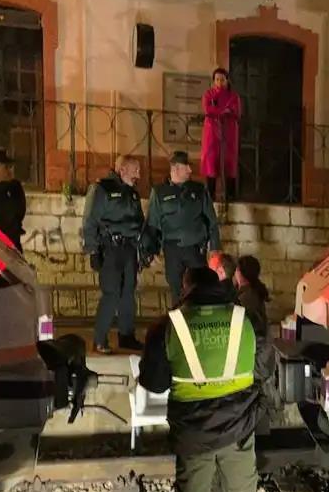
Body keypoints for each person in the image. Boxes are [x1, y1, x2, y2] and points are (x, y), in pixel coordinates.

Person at [139, 266, 263, 492]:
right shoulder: (245, 319)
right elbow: (260, 364)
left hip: (194, 435)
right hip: (239, 430)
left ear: (186, 288)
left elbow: (155, 383)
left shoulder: (169, 325)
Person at [82, 155, 146, 353]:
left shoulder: (132, 193)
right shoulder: (102, 189)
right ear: (123, 169)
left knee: (128, 294)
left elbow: (139, 224)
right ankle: (100, 339)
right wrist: (92, 250)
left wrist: (144, 251)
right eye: (135, 170)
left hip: (129, 249)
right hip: (109, 249)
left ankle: (126, 336)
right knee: (111, 294)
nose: (139, 175)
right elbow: (90, 221)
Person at [147, 151, 221, 306]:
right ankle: (177, 326)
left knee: (199, 289)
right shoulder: (159, 192)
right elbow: (153, 224)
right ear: (175, 168)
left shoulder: (199, 190)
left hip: (195, 248)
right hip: (172, 250)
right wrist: (151, 251)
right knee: (176, 290)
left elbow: (211, 221)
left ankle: (198, 325)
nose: (190, 170)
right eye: (186, 166)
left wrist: (214, 248)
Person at [235, 255, 278, 435]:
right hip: (259, 357)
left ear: (240, 273)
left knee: (251, 401)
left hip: (255, 359)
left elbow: (253, 331)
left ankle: (254, 439)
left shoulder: (247, 297)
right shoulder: (250, 293)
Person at [200, 68, 241, 202]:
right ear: (213, 81)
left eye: (222, 79)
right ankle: (209, 196)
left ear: (227, 80)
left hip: (228, 133)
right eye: (217, 79)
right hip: (211, 132)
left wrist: (217, 111)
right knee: (211, 161)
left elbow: (235, 111)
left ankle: (230, 196)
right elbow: (207, 109)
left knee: (229, 162)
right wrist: (224, 111)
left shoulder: (233, 96)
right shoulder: (208, 94)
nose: (219, 82)